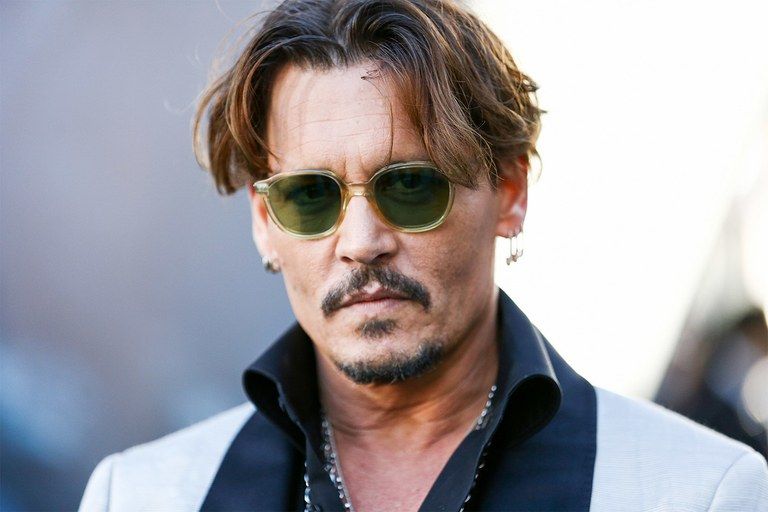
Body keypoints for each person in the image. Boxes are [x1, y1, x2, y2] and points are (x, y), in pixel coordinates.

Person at [79, 0, 768, 510]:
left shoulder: (701, 492)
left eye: (410, 186)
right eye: (310, 197)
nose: (361, 243)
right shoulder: (139, 495)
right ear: (265, 224)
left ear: (510, 193)